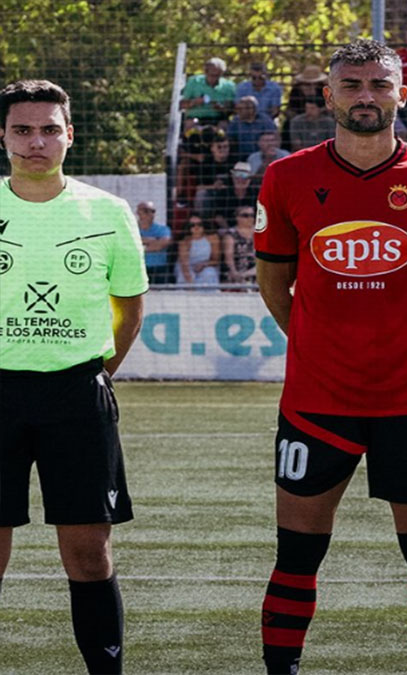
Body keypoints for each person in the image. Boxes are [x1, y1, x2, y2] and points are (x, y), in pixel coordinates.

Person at [254, 39, 407, 675]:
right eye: (351, 85)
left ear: (402, 95)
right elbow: (274, 282)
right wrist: (314, 339)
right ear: (328, 96)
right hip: (315, 401)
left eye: (380, 85)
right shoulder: (287, 176)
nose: (366, 97)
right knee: (297, 554)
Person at [0, 79, 148, 675]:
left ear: (70, 134)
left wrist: (95, 371)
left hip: (77, 395)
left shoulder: (106, 211)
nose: (37, 142)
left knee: (88, 554)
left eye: (49, 130)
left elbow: (129, 306)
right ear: (3, 135)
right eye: (23, 130)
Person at [181, 56, 236, 122]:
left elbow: (231, 108)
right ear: (206, 72)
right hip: (195, 118)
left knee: (223, 126)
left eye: (218, 75)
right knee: (191, 125)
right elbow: (182, 105)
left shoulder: (228, 85)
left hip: (219, 119)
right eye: (212, 75)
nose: (214, 78)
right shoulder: (194, 82)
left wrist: (221, 108)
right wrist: (194, 102)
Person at [227, 96, 278, 162]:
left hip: (262, 157)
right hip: (241, 157)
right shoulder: (236, 121)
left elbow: (274, 137)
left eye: (240, 109)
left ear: (251, 109)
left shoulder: (265, 120)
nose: (237, 111)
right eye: (237, 109)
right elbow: (229, 138)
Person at [175, 215, 220, 287]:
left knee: (209, 273)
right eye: (192, 225)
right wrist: (190, 284)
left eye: (199, 224)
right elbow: (184, 264)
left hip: (206, 264)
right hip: (186, 266)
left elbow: (216, 259)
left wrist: (203, 264)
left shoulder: (213, 238)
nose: (196, 227)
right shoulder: (184, 241)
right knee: (184, 278)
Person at [136, 200, 173, 284]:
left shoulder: (162, 229)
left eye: (152, 211)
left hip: (159, 269)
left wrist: (141, 244)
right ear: (138, 212)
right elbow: (128, 245)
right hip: (138, 269)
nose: (150, 213)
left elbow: (163, 244)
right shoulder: (132, 229)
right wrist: (153, 240)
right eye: (145, 210)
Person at [222, 205, 257, 285]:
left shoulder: (259, 232)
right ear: (237, 217)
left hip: (257, 270)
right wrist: (234, 272)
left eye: (252, 215)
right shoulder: (231, 234)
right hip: (238, 270)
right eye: (245, 215)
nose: (250, 218)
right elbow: (228, 258)